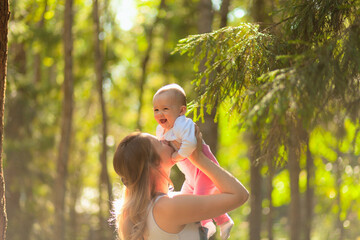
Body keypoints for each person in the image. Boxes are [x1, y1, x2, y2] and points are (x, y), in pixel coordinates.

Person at [113, 126, 248, 240]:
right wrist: (199, 159)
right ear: (152, 165)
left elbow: (210, 189)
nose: (166, 141)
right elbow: (239, 195)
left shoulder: (136, 212)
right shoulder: (168, 207)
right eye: (160, 143)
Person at [153, 84, 234, 239]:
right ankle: (225, 221)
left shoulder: (184, 124)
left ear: (181, 111)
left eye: (165, 109)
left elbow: (190, 144)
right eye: (156, 110)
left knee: (198, 201)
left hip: (204, 170)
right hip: (191, 176)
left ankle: (206, 226)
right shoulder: (161, 129)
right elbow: (161, 144)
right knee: (185, 201)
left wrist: (176, 156)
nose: (160, 113)